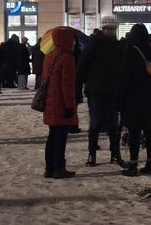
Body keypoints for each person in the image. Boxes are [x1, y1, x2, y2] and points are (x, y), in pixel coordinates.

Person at [76, 16, 126, 167]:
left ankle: (115, 153)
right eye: (107, 29)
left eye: (112, 29)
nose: (110, 31)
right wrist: (80, 87)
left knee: (113, 125)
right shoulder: (94, 45)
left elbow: (123, 68)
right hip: (96, 90)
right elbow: (82, 67)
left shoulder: (118, 46)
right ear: (103, 29)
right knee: (95, 123)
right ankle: (92, 154)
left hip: (112, 91)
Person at [120, 24, 151, 176]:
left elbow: (124, 78)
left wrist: (120, 98)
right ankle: (149, 163)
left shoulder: (130, 53)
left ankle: (133, 165)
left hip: (133, 98)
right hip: (150, 97)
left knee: (134, 133)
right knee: (150, 132)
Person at [41, 27, 78, 179]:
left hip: (50, 103)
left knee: (52, 136)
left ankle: (49, 168)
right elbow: (67, 85)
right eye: (72, 39)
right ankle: (59, 168)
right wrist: (70, 105)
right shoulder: (67, 58)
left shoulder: (49, 55)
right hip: (61, 103)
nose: (74, 42)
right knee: (60, 137)